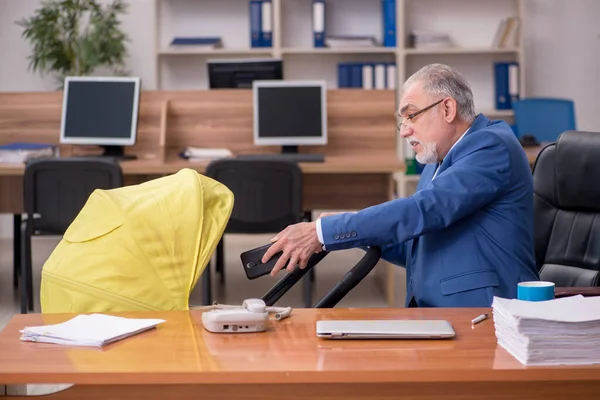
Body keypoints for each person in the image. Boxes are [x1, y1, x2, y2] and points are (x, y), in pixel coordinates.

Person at [261, 63, 539, 307]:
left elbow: (424, 211)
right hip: (436, 310)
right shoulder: (436, 162)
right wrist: (344, 229)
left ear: (447, 108)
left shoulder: (491, 146)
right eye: (402, 121)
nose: (405, 130)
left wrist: (324, 231)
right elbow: (415, 246)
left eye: (411, 115)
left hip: (485, 313)